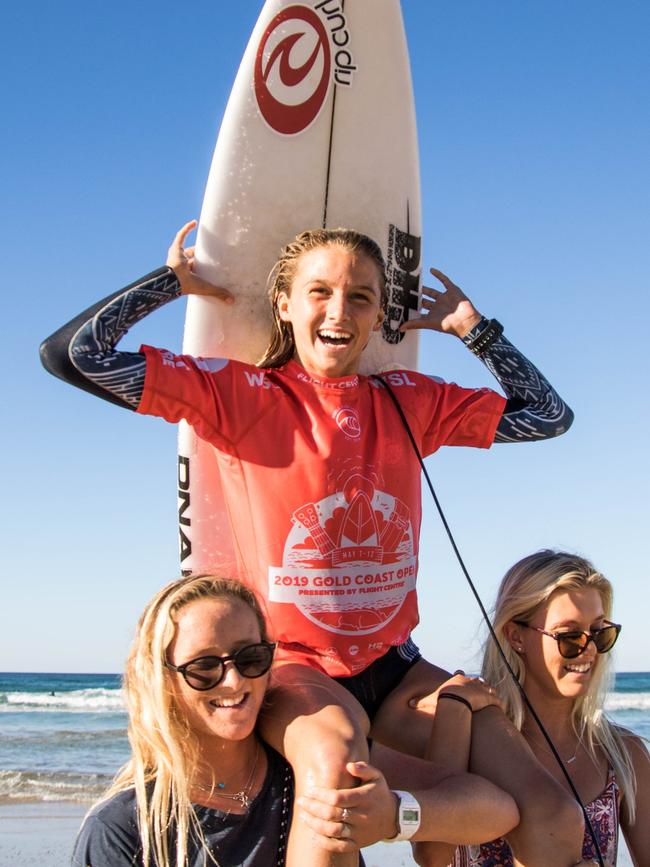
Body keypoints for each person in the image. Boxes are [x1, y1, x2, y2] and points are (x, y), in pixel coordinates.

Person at [44, 221, 581, 866]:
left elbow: (547, 416)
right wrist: (168, 284)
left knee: (553, 810)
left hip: (399, 664)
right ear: (285, 305)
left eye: (361, 296)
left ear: (381, 313)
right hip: (299, 666)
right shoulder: (240, 394)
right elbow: (74, 355)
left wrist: (473, 329)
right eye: (319, 291)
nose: (338, 310)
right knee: (333, 775)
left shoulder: (410, 400)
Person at [71, 574, 519, 867]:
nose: (233, 682)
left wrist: (392, 816)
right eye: (204, 666)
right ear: (162, 680)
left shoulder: (300, 771)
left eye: (251, 657)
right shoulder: (127, 829)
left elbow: (495, 808)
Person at [411, 551, 650, 866]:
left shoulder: (623, 756)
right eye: (569, 636)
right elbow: (431, 855)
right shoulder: (467, 737)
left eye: (599, 633)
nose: (589, 649)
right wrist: (454, 707)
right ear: (515, 636)